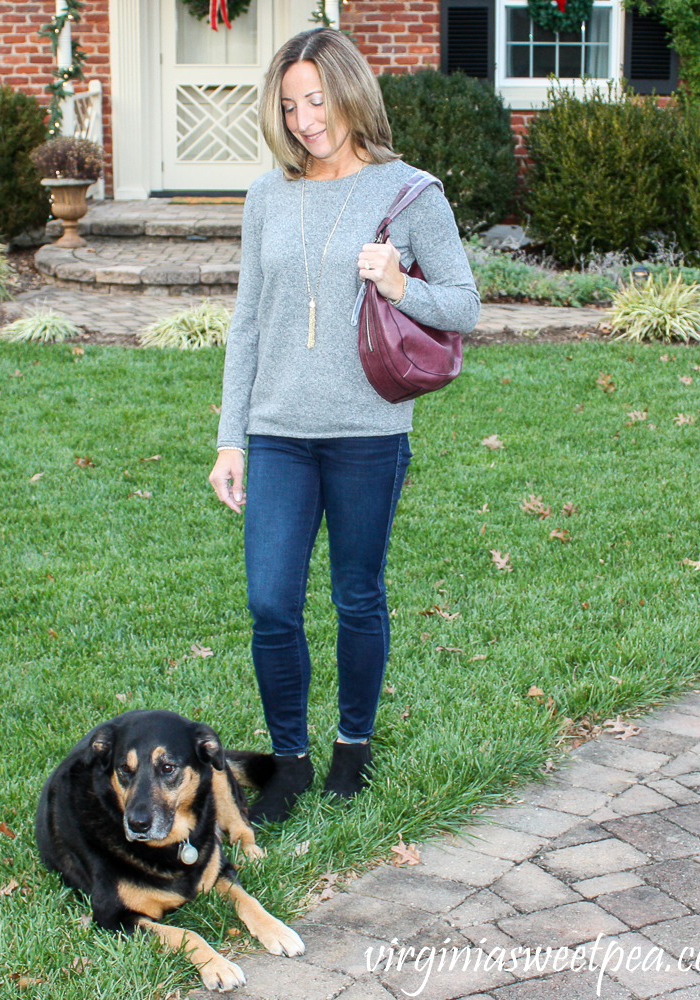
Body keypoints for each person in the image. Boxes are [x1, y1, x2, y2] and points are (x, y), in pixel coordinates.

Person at [208, 27, 480, 825]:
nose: (305, 120)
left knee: (357, 596)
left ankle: (352, 749)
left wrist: (400, 285)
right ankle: (288, 763)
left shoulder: (410, 193)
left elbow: (463, 304)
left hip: (368, 432)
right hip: (279, 432)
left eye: (317, 100)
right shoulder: (267, 195)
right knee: (270, 603)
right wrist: (232, 438)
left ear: (350, 93)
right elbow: (248, 324)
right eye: (290, 105)